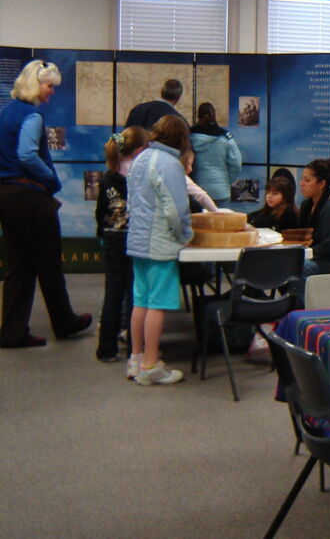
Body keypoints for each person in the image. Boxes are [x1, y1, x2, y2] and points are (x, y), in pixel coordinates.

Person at [0, 60, 93, 348]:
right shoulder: (32, 116)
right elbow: (28, 156)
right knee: (49, 262)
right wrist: (52, 181)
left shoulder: (6, 113)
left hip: (6, 196)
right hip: (29, 196)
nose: (52, 91)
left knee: (20, 265)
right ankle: (64, 323)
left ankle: (12, 332)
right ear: (34, 84)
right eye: (49, 85)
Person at [126, 114, 193, 385]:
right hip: (159, 242)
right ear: (180, 138)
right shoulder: (170, 164)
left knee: (140, 300)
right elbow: (176, 210)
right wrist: (185, 236)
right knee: (158, 303)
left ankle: (136, 358)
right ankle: (152, 365)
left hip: (137, 240)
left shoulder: (140, 159)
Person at [94, 127, 148, 362]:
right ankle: (136, 348)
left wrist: (104, 234)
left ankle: (106, 349)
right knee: (136, 293)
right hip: (135, 238)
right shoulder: (141, 175)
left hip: (112, 239)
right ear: (139, 151)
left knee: (113, 293)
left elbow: (99, 212)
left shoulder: (107, 177)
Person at [190, 102, 242, 207]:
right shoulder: (225, 137)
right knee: (220, 222)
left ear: (198, 116)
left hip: (196, 190)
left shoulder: (189, 136)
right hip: (221, 191)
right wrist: (226, 180)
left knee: (198, 222)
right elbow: (236, 163)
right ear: (214, 115)